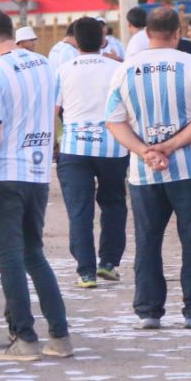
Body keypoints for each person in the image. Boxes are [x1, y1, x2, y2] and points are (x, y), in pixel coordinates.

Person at [0, 8, 72, 360]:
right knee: (34, 255)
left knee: (10, 258)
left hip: (5, 174)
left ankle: (24, 339)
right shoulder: (42, 63)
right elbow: (41, 110)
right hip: (38, 173)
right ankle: (60, 336)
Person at [106, 6, 191, 329]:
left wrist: (145, 150)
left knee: (147, 240)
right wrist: (170, 146)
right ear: (178, 32)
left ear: (145, 33)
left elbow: (113, 122)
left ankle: (148, 311)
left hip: (144, 172)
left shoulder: (125, 70)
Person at [55, 16, 129, 288]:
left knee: (79, 209)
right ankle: (109, 263)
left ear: (74, 41)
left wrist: (54, 144)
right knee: (113, 204)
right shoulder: (117, 68)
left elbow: (53, 111)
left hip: (74, 148)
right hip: (113, 147)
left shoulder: (64, 69)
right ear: (102, 40)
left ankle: (85, 271)